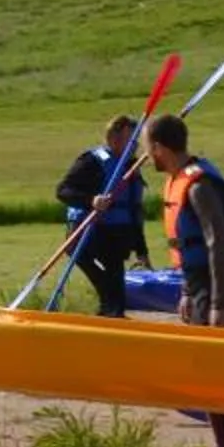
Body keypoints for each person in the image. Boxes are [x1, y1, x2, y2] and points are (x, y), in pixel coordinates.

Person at [145, 112, 224, 447]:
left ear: (160, 147)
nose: (148, 157)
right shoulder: (177, 180)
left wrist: (219, 304)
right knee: (208, 374)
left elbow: (217, 244)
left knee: (214, 374)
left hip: (219, 285)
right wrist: (188, 292)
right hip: (199, 285)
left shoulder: (199, 185)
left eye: (149, 149)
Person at [53, 113, 149, 317]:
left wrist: (141, 249)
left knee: (116, 288)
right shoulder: (92, 161)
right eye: (130, 139)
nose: (135, 146)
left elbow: (134, 209)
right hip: (88, 230)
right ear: (113, 138)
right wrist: (92, 200)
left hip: (118, 233)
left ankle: (113, 315)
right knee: (108, 285)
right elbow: (63, 191)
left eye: (136, 140)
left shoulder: (132, 167)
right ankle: (110, 310)